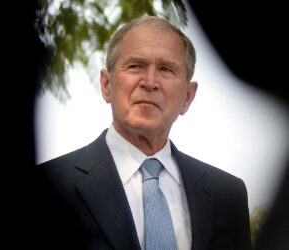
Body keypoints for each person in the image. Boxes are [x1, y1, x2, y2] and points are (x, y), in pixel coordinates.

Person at [36, 16, 251, 250]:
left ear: (188, 97)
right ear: (107, 85)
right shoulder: (49, 186)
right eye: (135, 66)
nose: (149, 82)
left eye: (166, 69)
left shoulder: (228, 196)